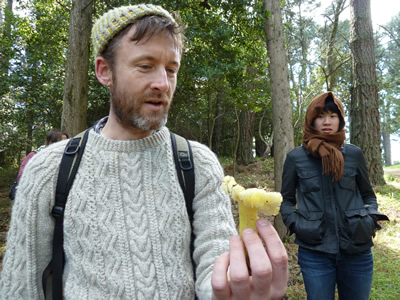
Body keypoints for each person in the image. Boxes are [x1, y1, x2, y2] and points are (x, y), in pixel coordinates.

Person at [0, 4, 288, 299]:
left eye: (171, 69)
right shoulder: (50, 168)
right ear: (104, 71)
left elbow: (215, 263)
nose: (163, 83)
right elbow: (19, 286)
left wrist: (231, 287)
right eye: (145, 66)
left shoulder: (198, 164)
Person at [280, 91, 389, 300]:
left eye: (332, 116)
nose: (327, 121)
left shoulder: (354, 154)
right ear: (311, 120)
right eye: (321, 116)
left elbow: (368, 195)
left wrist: (368, 220)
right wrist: (296, 225)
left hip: (357, 249)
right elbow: (287, 200)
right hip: (315, 252)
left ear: (340, 120)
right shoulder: (296, 158)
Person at [8, 129, 69, 201]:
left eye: (65, 142)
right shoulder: (34, 155)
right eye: (60, 142)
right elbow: (22, 177)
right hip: (31, 198)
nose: (63, 145)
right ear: (50, 142)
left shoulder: (67, 159)